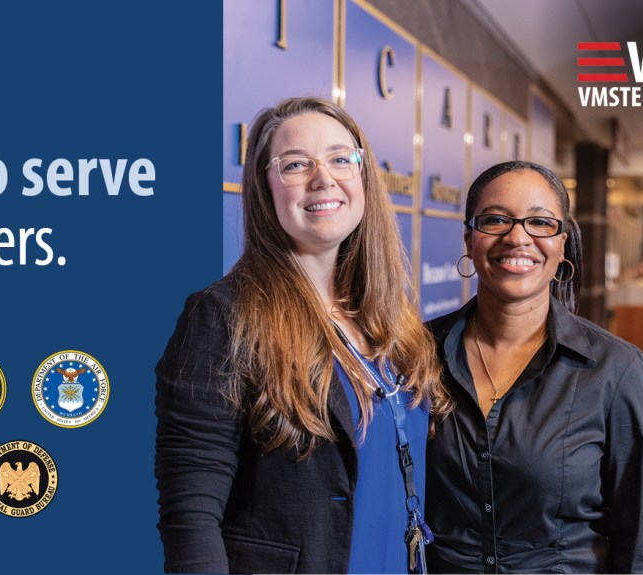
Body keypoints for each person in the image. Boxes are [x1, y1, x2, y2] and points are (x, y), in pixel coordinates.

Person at [154, 96, 452, 573]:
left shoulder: (389, 319)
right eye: (295, 164)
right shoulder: (223, 315)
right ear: (264, 187)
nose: (323, 178)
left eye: (340, 158)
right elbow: (191, 519)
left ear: (363, 176)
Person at [425, 161, 643, 572]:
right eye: (495, 220)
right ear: (469, 239)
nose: (517, 237)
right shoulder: (417, 353)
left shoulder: (614, 368)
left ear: (562, 244)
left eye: (540, 222)